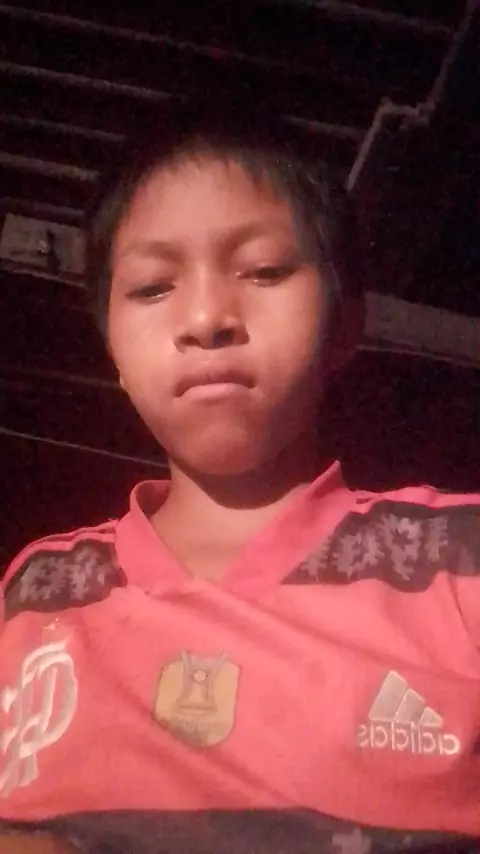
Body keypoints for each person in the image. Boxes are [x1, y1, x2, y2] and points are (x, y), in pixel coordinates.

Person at [0, 102, 479, 854]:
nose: (206, 318)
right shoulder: (41, 590)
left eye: (263, 271)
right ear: (112, 351)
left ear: (345, 325)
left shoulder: (459, 560)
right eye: (153, 287)